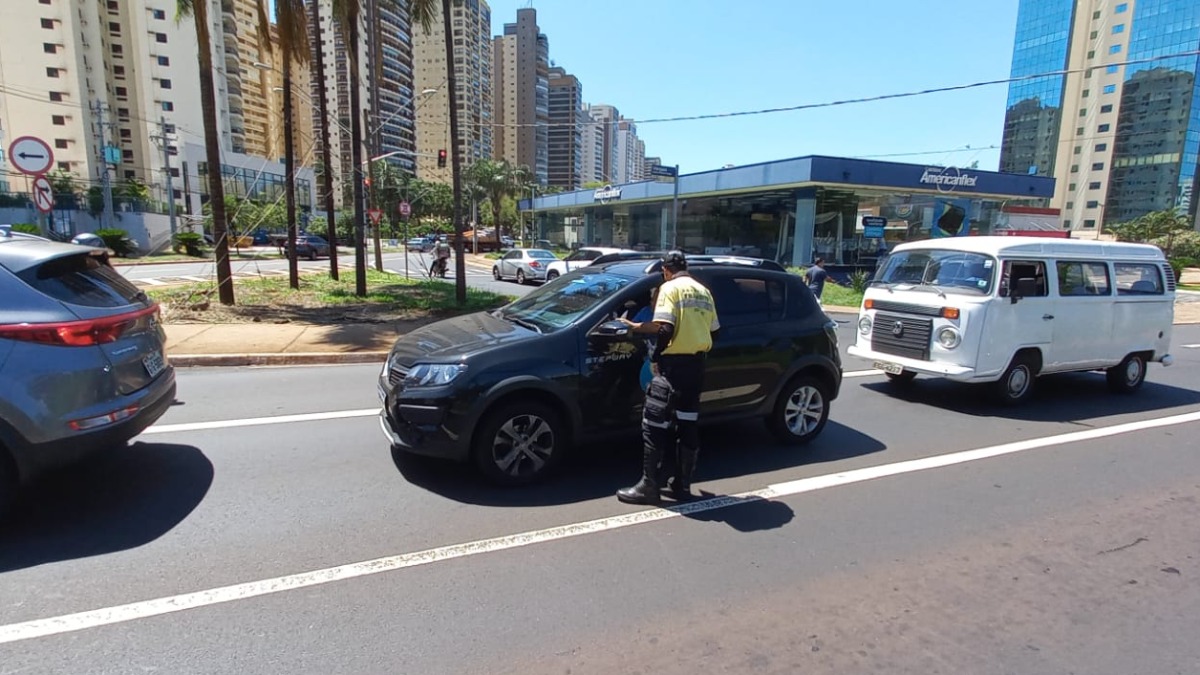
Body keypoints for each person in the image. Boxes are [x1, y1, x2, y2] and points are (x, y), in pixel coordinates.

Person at [616, 251, 719, 504]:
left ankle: (649, 487)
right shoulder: (703, 291)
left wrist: (656, 356)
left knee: (654, 424)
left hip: (671, 366)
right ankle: (682, 487)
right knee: (687, 423)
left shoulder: (669, 288)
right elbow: (715, 331)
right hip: (695, 367)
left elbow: (664, 328)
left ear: (665, 270)